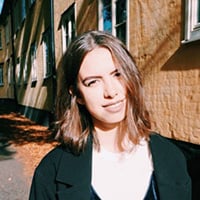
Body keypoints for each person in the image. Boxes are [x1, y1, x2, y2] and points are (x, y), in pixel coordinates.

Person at [29, 30, 191, 200]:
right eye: (93, 82)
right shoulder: (50, 172)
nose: (111, 91)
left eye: (118, 74)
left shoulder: (172, 157)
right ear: (77, 95)